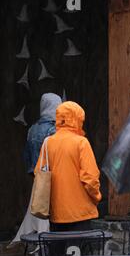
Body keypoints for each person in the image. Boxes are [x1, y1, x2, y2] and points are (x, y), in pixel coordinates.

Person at [35, 101, 102, 232]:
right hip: (81, 213)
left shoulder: (48, 143)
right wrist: (96, 197)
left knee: (58, 252)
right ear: (77, 119)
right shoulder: (81, 142)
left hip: (56, 215)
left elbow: (39, 173)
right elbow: (90, 178)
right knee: (78, 252)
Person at [9, 93, 62, 247]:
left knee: (39, 214)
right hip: (52, 178)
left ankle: (39, 249)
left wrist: (32, 170)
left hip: (37, 177)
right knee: (52, 219)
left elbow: (27, 155)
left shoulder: (32, 129)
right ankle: (49, 251)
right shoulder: (54, 129)